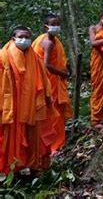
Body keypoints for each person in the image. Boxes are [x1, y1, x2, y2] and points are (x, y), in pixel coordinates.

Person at [0, 26, 58, 174]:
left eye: (27, 37)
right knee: (10, 139)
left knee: (33, 137)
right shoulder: (3, 57)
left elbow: (44, 82)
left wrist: (47, 98)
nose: (24, 39)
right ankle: (10, 170)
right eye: (21, 36)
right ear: (13, 38)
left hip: (33, 108)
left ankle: (32, 166)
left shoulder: (35, 58)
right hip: (12, 108)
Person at [32, 14, 72, 152]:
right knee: (53, 112)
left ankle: (49, 144)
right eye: (53, 24)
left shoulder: (48, 39)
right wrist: (63, 74)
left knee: (52, 111)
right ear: (46, 26)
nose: (56, 27)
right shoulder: (47, 42)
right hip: (49, 81)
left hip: (49, 80)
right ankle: (54, 145)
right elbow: (47, 64)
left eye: (58, 24)